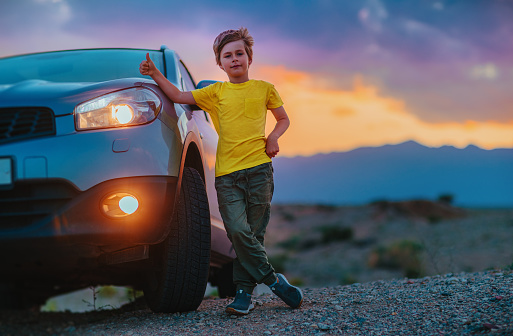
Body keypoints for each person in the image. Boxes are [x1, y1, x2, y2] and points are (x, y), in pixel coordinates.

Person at [139, 27, 303, 315]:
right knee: (238, 232)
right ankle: (274, 282)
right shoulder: (215, 92)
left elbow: (283, 119)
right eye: (228, 55)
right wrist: (155, 74)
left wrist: (274, 137)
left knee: (253, 234)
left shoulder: (265, 88)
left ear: (249, 57)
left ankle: (242, 295)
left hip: (260, 171)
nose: (235, 59)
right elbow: (178, 95)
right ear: (220, 63)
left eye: (240, 53)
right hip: (227, 175)